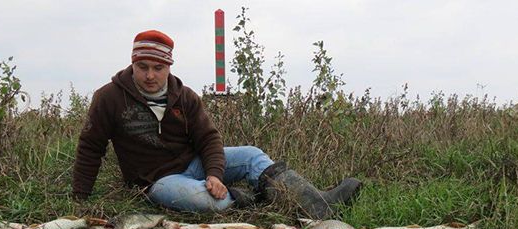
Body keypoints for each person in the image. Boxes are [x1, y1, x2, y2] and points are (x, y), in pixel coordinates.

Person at [72, 30, 362, 218]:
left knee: (251, 155)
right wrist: (80, 200)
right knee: (205, 202)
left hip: (193, 164)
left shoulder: (185, 97)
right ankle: (243, 198)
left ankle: (318, 205)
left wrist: (213, 173)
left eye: (158, 68)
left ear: (169, 67)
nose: (150, 75)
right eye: (143, 67)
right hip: (157, 182)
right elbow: (90, 147)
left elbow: (209, 139)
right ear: (132, 64)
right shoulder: (108, 98)